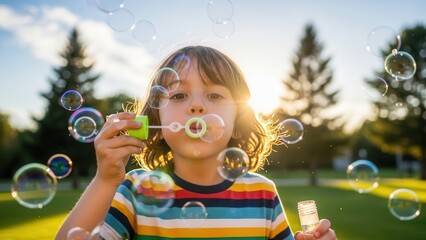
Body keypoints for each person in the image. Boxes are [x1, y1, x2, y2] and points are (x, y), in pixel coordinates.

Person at [56, 46, 336, 240]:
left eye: (214, 95)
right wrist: (105, 181)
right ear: (156, 124)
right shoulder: (137, 191)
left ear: (238, 119)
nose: (197, 107)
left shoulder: (262, 194)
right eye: (179, 96)